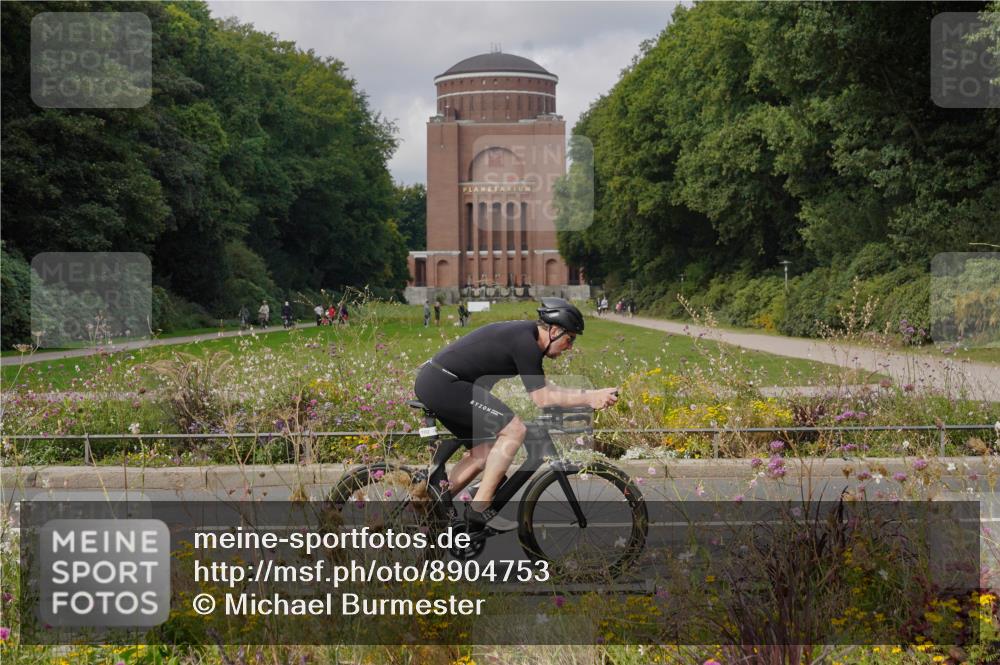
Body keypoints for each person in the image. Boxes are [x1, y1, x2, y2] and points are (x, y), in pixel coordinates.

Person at [414, 297, 619, 533]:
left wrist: (586, 397)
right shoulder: (527, 343)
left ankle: (433, 505)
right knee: (515, 430)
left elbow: (546, 388)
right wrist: (590, 396)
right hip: (444, 383)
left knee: (485, 451)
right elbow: (543, 397)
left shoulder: (526, 339)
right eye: (569, 338)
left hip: (441, 381)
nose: (570, 346)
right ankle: (479, 507)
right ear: (553, 330)